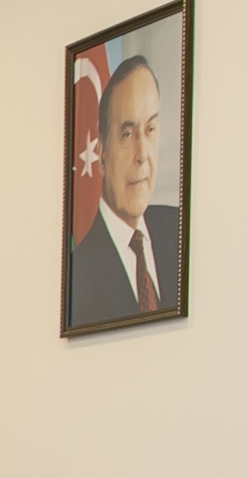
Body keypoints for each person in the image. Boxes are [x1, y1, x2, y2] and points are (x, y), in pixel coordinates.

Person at [68, 54, 183, 327]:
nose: (142, 154)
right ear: (102, 154)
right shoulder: (78, 275)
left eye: (150, 129)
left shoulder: (179, 229)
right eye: (127, 134)